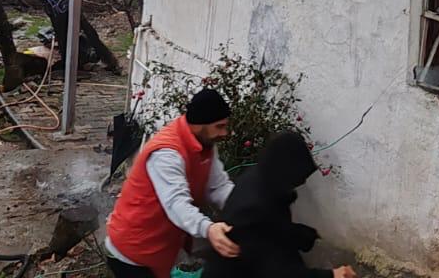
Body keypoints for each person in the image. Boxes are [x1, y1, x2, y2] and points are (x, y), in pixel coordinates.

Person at [104, 87, 242, 278]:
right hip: (132, 250)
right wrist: (208, 229)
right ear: (200, 124)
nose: (225, 132)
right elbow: (176, 203)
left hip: (158, 247)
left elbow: (218, 186)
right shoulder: (167, 153)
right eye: (219, 126)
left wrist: (245, 204)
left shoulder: (205, 145)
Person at [202, 131, 356, 278]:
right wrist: (332, 275)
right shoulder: (254, 206)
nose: (296, 186)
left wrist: (302, 235)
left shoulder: (262, 182)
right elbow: (277, 270)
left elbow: (271, 229)